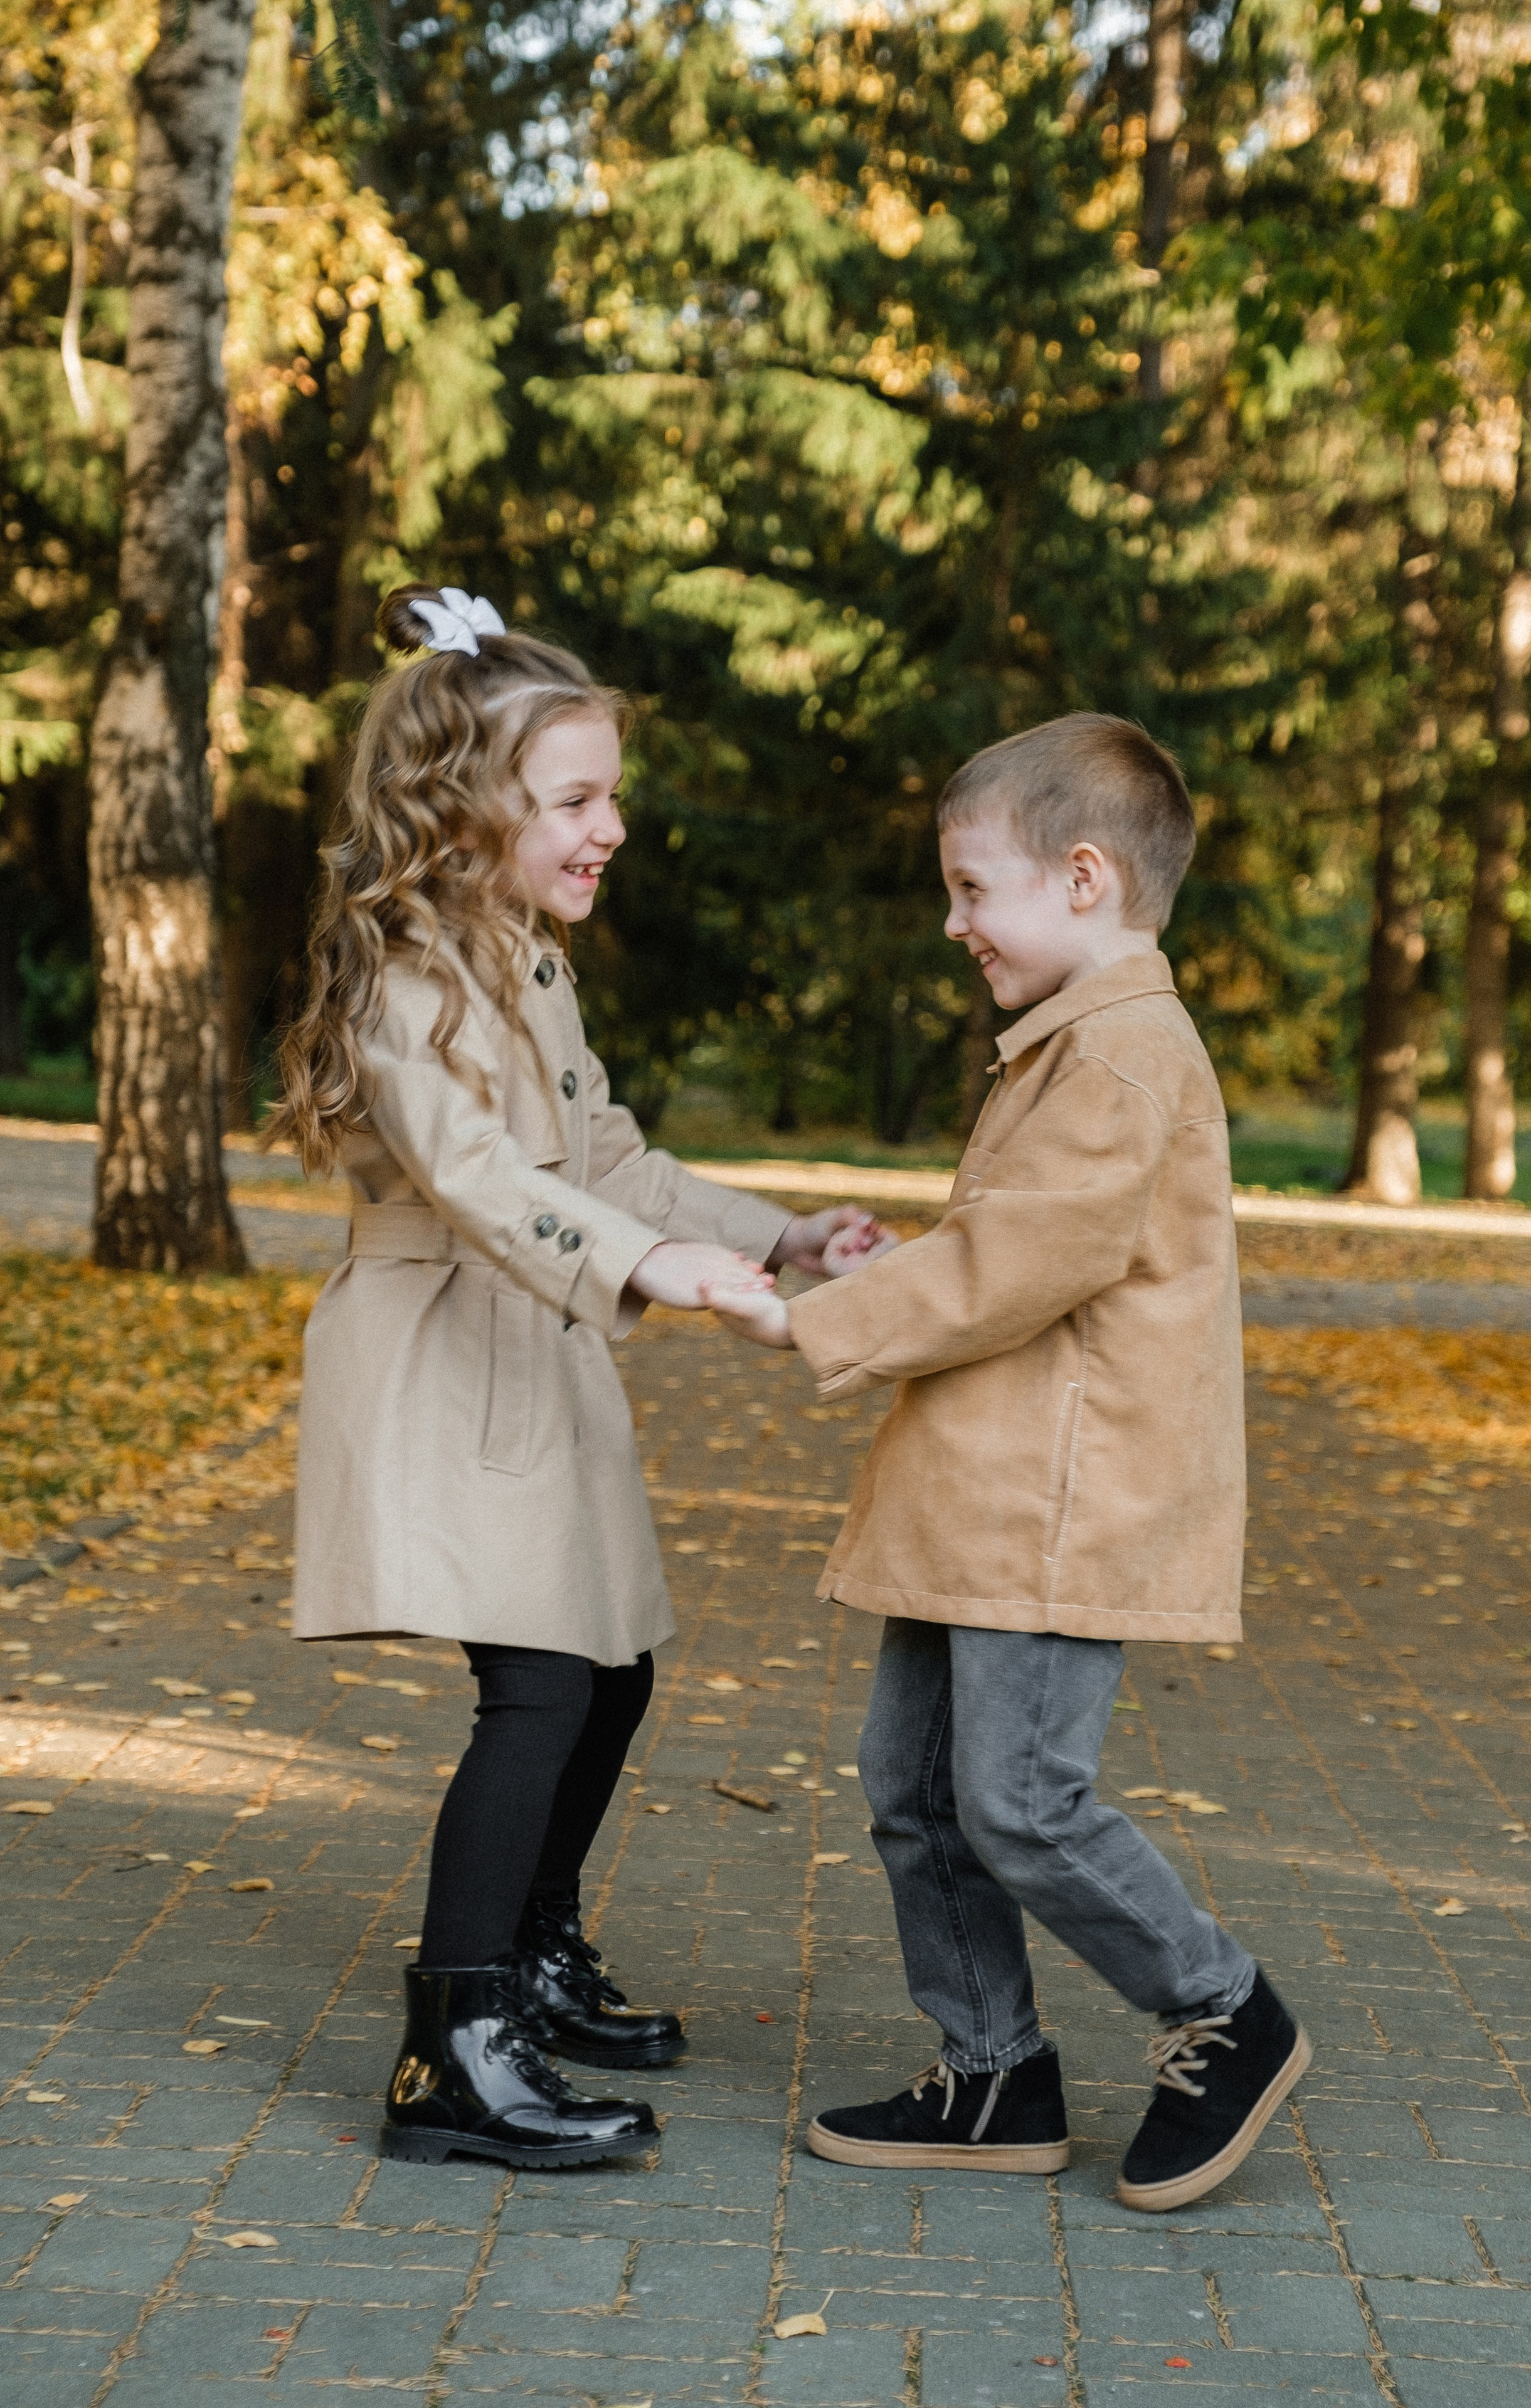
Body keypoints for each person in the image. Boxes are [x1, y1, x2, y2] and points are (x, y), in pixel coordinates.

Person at [270, 584, 887, 2172]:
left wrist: (779, 1234)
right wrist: (644, 1267)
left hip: (529, 1349)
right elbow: (472, 1171)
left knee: (609, 1671)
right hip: (444, 1357)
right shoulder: (406, 968)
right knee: (539, 1685)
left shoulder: (525, 960)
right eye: (576, 799)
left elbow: (601, 1149)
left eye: (612, 792)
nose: (611, 826)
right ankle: (451, 2053)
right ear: (463, 809)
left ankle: (529, 1959)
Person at [702, 713, 1310, 2213]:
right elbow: (1018, 1251)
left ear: (1083, 878)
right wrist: (904, 1260)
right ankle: (990, 2071)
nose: (955, 922)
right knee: (911, 1788)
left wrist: (817, 1314)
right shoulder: (1071, 1045)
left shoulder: (1118, 1053)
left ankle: (1219, 2007)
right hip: (980, 1499)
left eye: (974, 889)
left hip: (1055, 1506)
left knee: (1022, 1798)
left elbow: (1021, 1260)